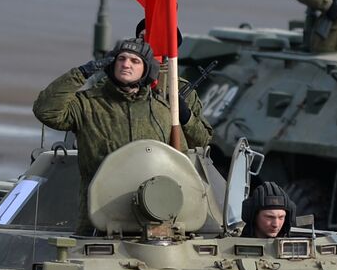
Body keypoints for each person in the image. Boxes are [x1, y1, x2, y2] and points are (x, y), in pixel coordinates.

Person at [32, 37, 213, 230]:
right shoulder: (88, 104)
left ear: (147, 70)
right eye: (121, 59)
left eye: (135, 61)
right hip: (100, 217)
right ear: (111, 63)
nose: (126, 64)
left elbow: (180, 161)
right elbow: (46, 111)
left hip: (154, 220)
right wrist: (81, 73)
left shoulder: (161, 111)